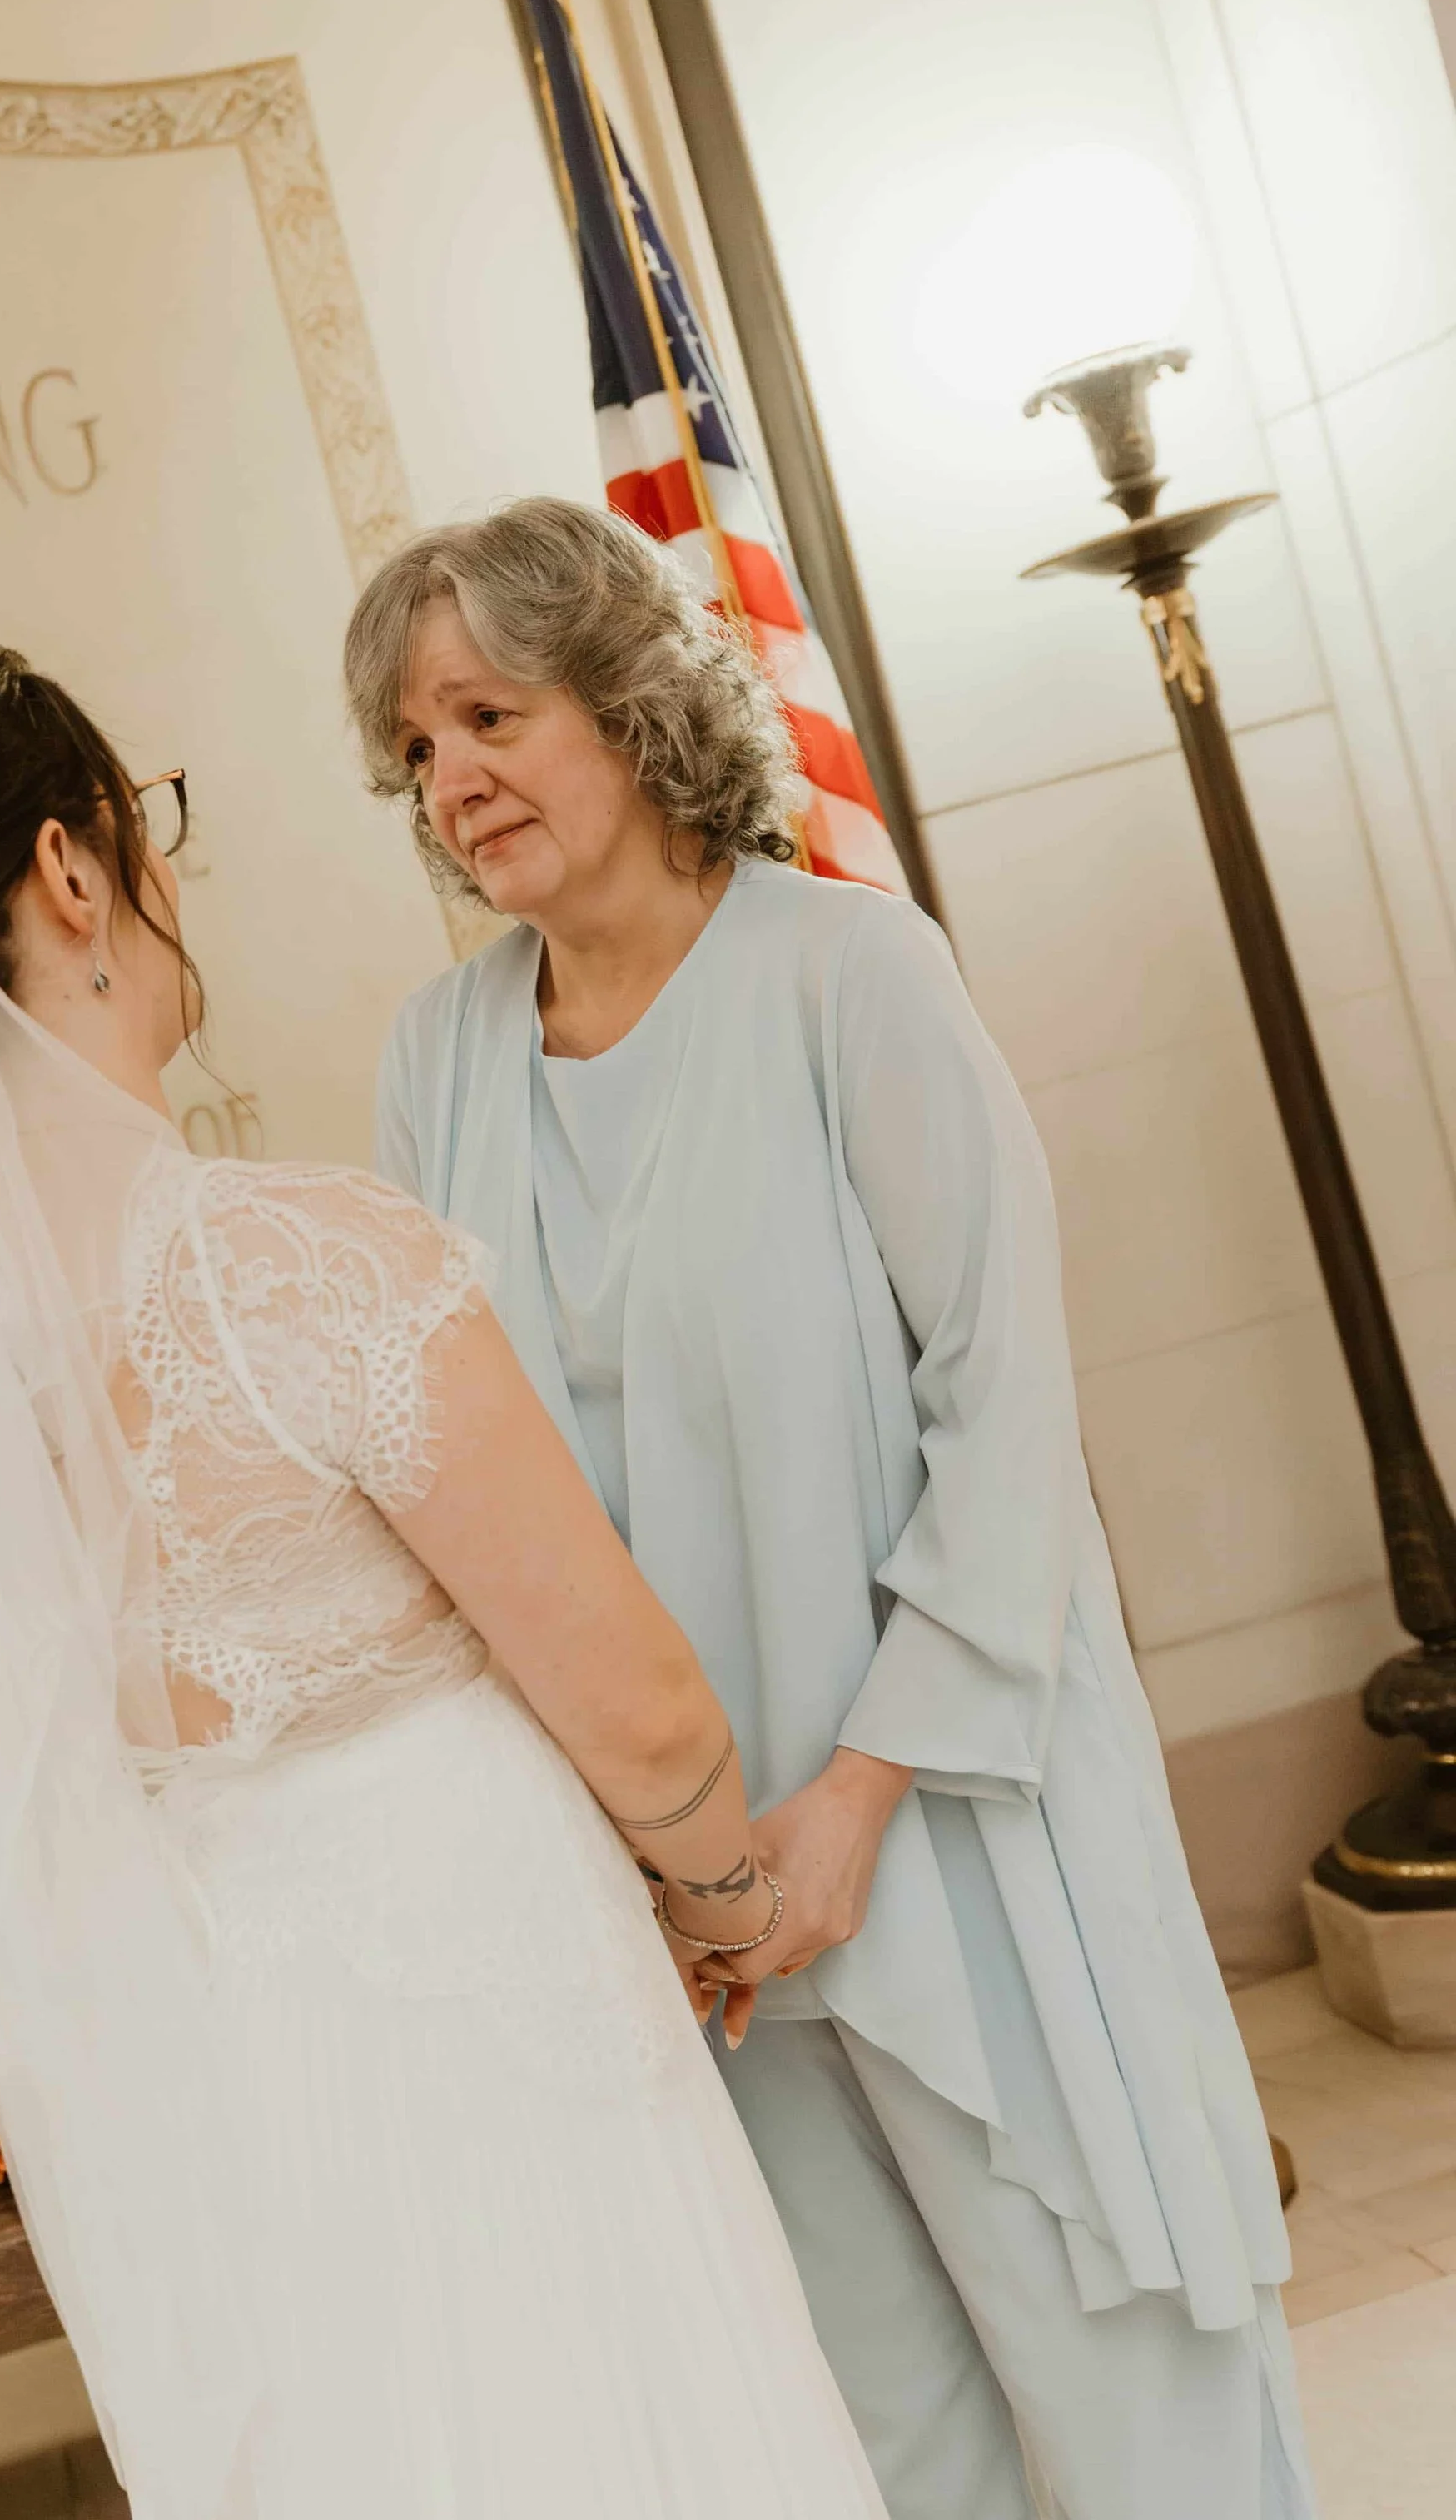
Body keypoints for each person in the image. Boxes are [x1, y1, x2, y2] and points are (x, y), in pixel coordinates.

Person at [0, 646, 886, 2520]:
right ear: (73, 875)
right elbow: (638, 1705)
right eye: (144, 832)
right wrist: (726, 1898)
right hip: (486, 2018)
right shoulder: (285, 1259)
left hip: (190, 2084)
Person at [345, 499, 1318, 2520]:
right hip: (688, 1907)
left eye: (486, 714)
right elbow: (448, 1496)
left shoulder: (847, 973)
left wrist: (852, 1801)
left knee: (1134, 2410)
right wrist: (667, 1858)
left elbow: (1007, 1426)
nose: (449, 779)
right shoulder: (432, 1068)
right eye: (414, 745)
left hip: (948, 1826)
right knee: (879, 2445)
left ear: (623, 700)